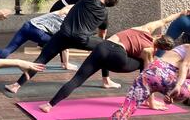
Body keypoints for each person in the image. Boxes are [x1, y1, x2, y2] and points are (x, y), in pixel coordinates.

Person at [7, 0, 118, 93]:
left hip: (63, 35)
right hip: (82, 40)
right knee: (104, 47)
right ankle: (106, 80)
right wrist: (101, 44)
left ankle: (16, 86)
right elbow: (102, 35)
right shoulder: (104, 14)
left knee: (42, 59)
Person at [39, 11, 189, 113]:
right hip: (118, 59)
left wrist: (181, 13)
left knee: (77, 79)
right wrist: (152, 103)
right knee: (142, 66)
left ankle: (49, 105)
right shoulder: (149, 52)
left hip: (101, 48)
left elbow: (165, 20)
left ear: (160, 34)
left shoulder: (145, 28)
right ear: (161, 48)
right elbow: (147, 80)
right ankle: (146, 101)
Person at [112, 44, 190, 119]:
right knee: (184, 89)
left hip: (151, 72)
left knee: (125, 111)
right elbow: (185, 65)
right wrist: (178, 87)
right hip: (173, 82)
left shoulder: (185, 47)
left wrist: (171, 95)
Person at [0, 5, 78, 70]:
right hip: (38, 32)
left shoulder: (60, 12)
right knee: (62, 43)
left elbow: (71, 6)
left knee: (10, 48)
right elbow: (65, 43)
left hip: (27, 26)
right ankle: (65, 64)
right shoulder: (68, 21)